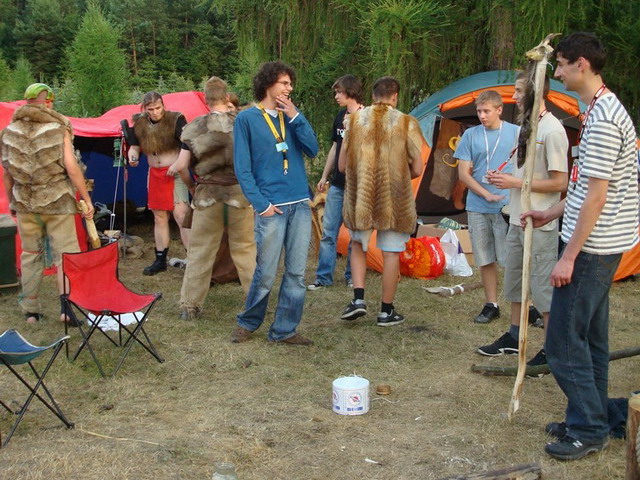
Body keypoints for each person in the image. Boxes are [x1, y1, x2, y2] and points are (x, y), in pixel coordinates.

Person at [524, 32, 638, 460]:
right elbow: (581, 189)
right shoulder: (599, 109)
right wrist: (550, 214)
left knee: (562, 343)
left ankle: (588, 430)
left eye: (562, 64)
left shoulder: (604, 119)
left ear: (582, 65)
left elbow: (596, 197)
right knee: (590, 339)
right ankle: (593, 417)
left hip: (592, 249)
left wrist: (568, 256)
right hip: (596, 243)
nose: (557, 72)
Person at [477, 72, 569, 367]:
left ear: (535, 93)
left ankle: (551, 350)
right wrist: (504, 178)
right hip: (517, 218)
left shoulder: (552, 130)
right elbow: (525, 172)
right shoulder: (526, 128)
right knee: (515, 282)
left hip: (540, 223)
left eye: (519, 92)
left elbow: (560, 183)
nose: (513, 97)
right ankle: (514, 337)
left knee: (542, 287)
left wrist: (516, 183)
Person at [231, 61, 319, 345]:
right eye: (284, 83)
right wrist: (262, 205)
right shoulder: (246, 119)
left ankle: (284, 330)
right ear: (268, 83)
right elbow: (242, 168)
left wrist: (296, 116)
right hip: (272, 206)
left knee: (296, 273)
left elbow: (313, 149)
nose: (289, 88)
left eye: (290, 84)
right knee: (266, 272)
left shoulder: (292, 117)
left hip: (300, 204)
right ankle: (248, 322)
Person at [0, 83, 94, 324]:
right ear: (49, 102)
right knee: (65, 256)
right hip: (57, 202)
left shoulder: (9, 131)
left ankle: (30, 311)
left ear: (27, 102)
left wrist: (12, 202)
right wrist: (86, 197)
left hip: (25, 203)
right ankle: (67, 310)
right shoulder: (58, 128)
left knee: (30, 254)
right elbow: (72, 168)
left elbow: (7, 174)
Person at [338, 76, 426, 326]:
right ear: (395, 96)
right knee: (391, 253)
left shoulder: (354, 121)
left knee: (358, 244)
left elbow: (342, 166)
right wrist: (398, 177)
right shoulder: (407, 123)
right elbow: (418, 168)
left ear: (373, 96)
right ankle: (386, 311)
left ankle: (358, 299)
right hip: (394, 200)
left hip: (361, 199)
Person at [170, 77, 256, 321]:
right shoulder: (243, 123)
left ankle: (190, 306)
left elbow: (182, 167)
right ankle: (256, 302)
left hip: (207, 196)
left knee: (200, 252)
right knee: (246, 250)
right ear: (227, 97)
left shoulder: (194, 128)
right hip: (240, 196)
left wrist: (192, 187)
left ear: (206, 100)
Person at [455, 90, 519, 324]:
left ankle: (526, 305)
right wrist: (485, 194)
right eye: (479, 111)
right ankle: (491, 304)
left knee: (511, 259)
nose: (482, 116)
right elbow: (463, 173)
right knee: (484, 257)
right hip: (478, 205)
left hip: (507, 206)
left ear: (499, 110)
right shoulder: (470, 135)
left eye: (486, 111)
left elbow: (526, 167)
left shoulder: (516, 133)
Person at [307, 75, 364, 291]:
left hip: (358, 187)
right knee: (328, 232)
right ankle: (323, 278)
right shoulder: (340, 116)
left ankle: (352, 276)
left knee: (355, 234)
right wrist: (324, 176)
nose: (336, 96)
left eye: (339, 92)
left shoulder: (366, 117)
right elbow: (335, 147)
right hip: (338, 185)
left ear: (351, 91)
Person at [127, 92, 190, 276]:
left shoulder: (176, 119)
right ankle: (160, 259)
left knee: (181, 215)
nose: (155, 112)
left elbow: (187, 144)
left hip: (175, 173)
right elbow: (134, 146)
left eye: (158, 108)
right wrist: (133, 156)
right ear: (144, 108)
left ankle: (193, 259)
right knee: (159, 217)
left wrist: (179, 164)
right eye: (151, 109)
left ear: (163, 105)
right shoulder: (139, 123)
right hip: (155, 173)